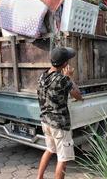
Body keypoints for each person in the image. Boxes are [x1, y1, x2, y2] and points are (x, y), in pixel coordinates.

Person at [36, 47, 83, 179]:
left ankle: (39, 177)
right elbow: (78, 96)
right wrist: (69, 78)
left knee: (50, 150)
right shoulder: (62, 80)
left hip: (46, 121)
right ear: (64, 64)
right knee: (63, 158)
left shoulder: (42, 76)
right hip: (60, 125)